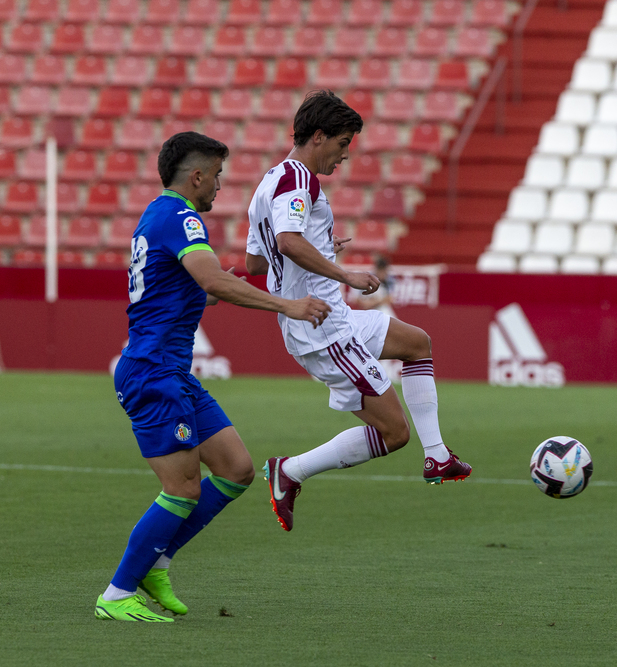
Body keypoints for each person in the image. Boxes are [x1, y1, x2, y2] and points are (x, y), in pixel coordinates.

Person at [96, 132, 331, 622]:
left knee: (237, 470)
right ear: (196, 176)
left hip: (171, 371)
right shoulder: (179, 216)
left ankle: (156, 562)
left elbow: (196, 287)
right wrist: (287, 304)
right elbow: (209, 280)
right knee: (182, 489)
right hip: (154, 373)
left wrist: (228, 282)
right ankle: (118, 593)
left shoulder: (155, 214)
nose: (220, 186)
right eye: (217, 175)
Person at [244, 90, 473, 533]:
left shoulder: (268, 184)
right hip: (323, 329)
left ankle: (438, 456)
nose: (345, 155)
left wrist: (321, 249)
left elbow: (258, 261)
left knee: (417, 342)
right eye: (342, 143)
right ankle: (290, 471)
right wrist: (342, 273)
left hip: (336, 319)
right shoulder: (299, 181)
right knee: (394, 433)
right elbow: (289, 243)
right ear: (318, 136)